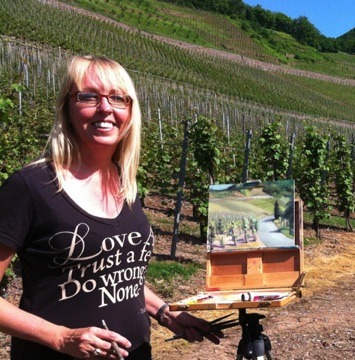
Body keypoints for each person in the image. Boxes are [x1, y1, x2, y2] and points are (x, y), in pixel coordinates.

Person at [0, 55, 222, 360]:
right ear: (68, 106)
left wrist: (166, 313)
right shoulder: (31, 186)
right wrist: (61, 337)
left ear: (130, 112)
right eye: (89, 96)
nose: (105, 107)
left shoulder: (124, 184)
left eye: (118, 98)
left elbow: (117, 275)